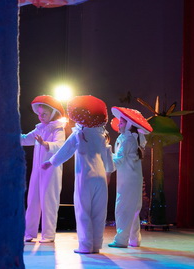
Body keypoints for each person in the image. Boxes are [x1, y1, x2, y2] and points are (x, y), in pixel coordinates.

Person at [42, 95, 114, 254]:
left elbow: (66, 151)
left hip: (85, 176)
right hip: (101, 177)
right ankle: (96, 245)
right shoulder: (102, 135)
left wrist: (50, 162)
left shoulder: (79, 134)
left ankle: (85, 245)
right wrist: (108, 174)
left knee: (83, 211)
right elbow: (108, 156)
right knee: (99, 212)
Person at [21, 95, 68, 244]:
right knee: (33, 200)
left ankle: (48, 234)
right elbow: (25, 139)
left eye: (44, 114)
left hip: (51, 170)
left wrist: (46, 144)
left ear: (53, 113)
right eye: (39, 114)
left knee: (49, 201)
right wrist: (9, 136)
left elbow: (60, 146)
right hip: (37, 170)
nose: (40, 117)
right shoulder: (40, 129)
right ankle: (29, 233)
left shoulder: (58, 129)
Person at [108, 107, 152, 249]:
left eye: (121, 122)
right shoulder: (132, 139)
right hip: (133, 180)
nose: (118, 124)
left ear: (129, 125)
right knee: (133, 210)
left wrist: (105, 155)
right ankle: (134, 239)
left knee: (123, 209)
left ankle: (121, 240)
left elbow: (118, 161)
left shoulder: (127, 140)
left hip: (127, 181)